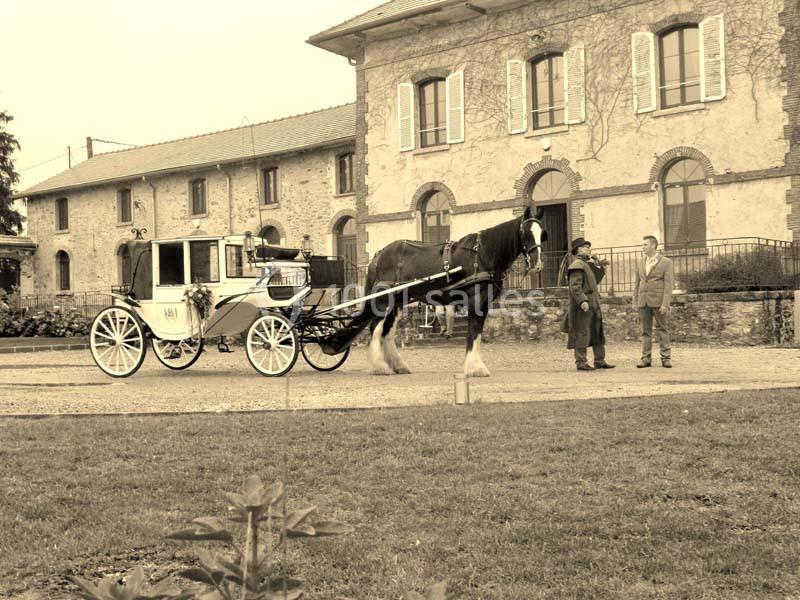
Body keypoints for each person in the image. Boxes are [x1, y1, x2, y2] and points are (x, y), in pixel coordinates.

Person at [561, 237, 615, 371]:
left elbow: (594, 281)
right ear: (579, 249)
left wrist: (599, 266)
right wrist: (582, 301)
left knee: (596, 332)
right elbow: (575, 287)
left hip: (593, 304)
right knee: (581, 332)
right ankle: (581, 362)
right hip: (583, 306)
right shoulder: (577, 265)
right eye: (586, 246)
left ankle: (599, 361)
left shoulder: (586, 264)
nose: (589, 249)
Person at [633, 235, 674, 368]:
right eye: (643, 244)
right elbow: (637, 283)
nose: (643, 247)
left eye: (645, 244)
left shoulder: (666, 262)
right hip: (643, 301)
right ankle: (646, 358)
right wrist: (635, 301)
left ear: (653, 245)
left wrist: (665, 304)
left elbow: (668, 284)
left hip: (658, 301)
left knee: (662, 328)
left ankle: (666, 358)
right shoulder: (640, 262)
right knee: (645, 331)